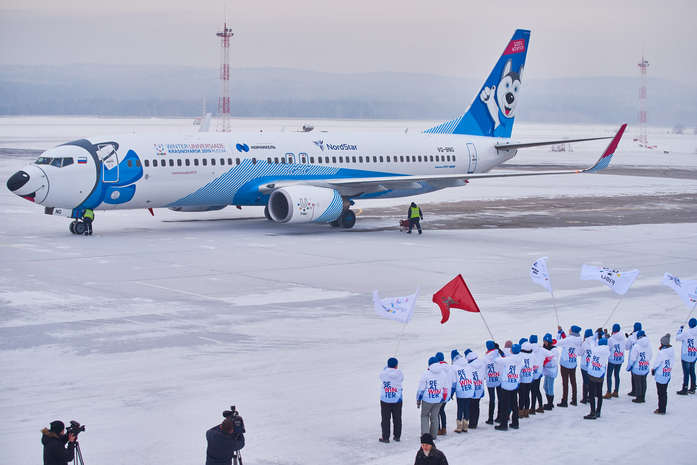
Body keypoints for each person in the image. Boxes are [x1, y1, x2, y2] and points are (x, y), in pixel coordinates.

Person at [417, 356, 449, 438]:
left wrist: (418, 400)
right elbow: (445, 388)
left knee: (424, 416)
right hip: (438, 399)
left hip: (427, 399)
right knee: (434, 416)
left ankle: (425, 435)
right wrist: (444, 398)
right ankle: (434, 435)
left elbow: (421, 389)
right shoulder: (443, 373)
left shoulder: (426, 374)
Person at [495, 343, 521, 430]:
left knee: (505, 406)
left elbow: (497, 360)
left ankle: (504, 424)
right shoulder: (520, 359)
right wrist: (503, 355)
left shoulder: (508, 360)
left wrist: (499, 353)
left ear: (511, 350)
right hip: (514, 384)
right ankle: (515, 422)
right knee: (514, 405)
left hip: (506, 385)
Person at [556, 325, 582, 407]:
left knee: (565, 382)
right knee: (573, 382)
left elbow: (557, 342)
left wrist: (558, 333)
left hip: (565, 363)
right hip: (573, 363)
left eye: (570, 329)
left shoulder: (568, 340)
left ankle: (564, 401)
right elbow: (566, 338)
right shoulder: (579, 339)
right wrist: (562, 332)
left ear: (572, 331)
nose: (569, 330)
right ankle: (574, 400)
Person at [379, 357, 404, 443]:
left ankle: (385, 437)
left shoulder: (383, 373)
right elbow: (401, 379)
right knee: (397, 418)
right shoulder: (399, 373)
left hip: (385, 399)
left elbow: (381, 375)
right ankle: (397, 436)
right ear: (396, 365)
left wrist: (386, 368)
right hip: (397, 399)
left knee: (385, 419)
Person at [585, 337, 609, 419]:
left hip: (592, 374)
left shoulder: (595, 350)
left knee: (591, 394)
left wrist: (594, 336)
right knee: (599, 393)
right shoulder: (607, 352)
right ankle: (598, 411)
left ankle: (592, 412)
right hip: (600, 374)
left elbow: (591, 342)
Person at [627, 330, 652, 403]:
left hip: (637, 367)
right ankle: (643, 396)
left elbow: (633, 358)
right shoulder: (648, 345)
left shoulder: (636, 346)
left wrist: (630, 366)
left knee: (638, 382)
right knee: (643, 382)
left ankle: (638, 397)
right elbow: (650, 355)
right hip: (645, 366)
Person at [652, 333, 674, 414]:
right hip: (667, 374)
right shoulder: (671, 351)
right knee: (664, 392)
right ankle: (663, 408)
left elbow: (657, 363)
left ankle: (661, 409)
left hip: (660, 375)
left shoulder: (662, 353)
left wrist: (654, 369)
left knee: (660, 393)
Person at [451, 350, 472, 433]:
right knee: (466, 407)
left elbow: (454, 382)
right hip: (469, 388)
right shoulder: (468, 365)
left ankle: (459, 427)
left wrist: (452, 392)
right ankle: (466, 426)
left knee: (460, 408)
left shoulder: (454, 368)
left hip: (461, 390)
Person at [604, 323, 627, 398]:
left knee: (609, 376)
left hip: (612, 359)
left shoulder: (611, 339)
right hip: (620, 359)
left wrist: (606, 338)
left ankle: (609, 392)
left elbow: (608, 347)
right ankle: (616, 391)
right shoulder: (623, 337)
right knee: (617, 375)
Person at [676, 318, 697, 395]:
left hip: (686, 356)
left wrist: (680, 330)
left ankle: (685, 388)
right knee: (692, 371)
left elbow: (677, 338)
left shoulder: (686, 333)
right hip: (694, 355)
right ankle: (693, 387)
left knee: (686, 373)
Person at [484, 340, 503, 425]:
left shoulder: (486, 357)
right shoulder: (498, 354)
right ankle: (499, 416)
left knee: (492, 399)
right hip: (498, 379)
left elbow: (484, 368)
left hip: (490, 380)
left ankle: (490, 418)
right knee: (500, 399)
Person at [467, 349, 486, 429]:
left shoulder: (469, 367)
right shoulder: (482, 364)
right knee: (477, 406)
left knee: (471, 406)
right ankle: (475, 422)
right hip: (480, 388)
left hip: (473, 390)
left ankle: (471, 423)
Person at [434, 352, 452, 435]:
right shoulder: (449, 367)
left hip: (440, 393)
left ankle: (437, 429)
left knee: (437, 411)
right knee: (442, 410)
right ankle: (444, 428)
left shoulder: (437, 368)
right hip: (447, 392)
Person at [541, 333, 559, 410]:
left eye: (546, 341)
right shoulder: (544, 348)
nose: (544, 342)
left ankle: (550, 403)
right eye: (544, 341)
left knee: (549, 387)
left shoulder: (554, 350)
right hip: (546, 371)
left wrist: (545, 362)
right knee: (545, 387)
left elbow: (553, 362)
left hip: (551, 371)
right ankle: (549, 402)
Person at [625, 322, 643, 396]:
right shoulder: (643, 335)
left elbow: (627, 347)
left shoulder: (632, 336)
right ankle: (641, 392)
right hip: (642, 358)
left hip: (634, 356)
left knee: (634, 376)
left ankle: (635, 390)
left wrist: (628, 338)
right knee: (642, 378)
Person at [529, 334, 545, 414]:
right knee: (537, 390)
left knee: (532, 390)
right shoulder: (541, 349)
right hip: (539, 372)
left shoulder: (528, 349)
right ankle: (540, 406)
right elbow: (551, 355)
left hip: (531, 373)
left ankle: (532, 408)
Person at [518, 341, 534, 417]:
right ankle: (526, 411)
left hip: (522, 379)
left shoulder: (520, 355)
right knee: (527, 395)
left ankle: (520, 411)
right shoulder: (532, 355)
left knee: (521, 396)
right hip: (529, 378)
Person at [579, 328, 595, 404]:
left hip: (584, 365)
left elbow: (580, 353)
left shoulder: (585, 343)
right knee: (591, 381)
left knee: (585, 382)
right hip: (592, 365)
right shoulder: (595, 342)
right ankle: (590, 396)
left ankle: (585, 398)